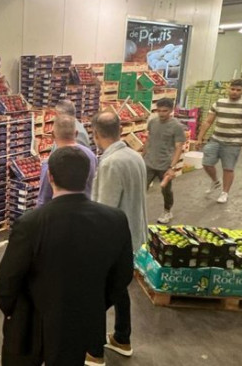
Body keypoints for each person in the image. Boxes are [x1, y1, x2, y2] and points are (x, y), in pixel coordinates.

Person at [0, 146, 133, 366]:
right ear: (90, 175)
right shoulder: (115, 220)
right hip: (80, 325)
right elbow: (122, 276)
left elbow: (6, 281)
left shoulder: (31, 223)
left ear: (50, 176)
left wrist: (14, 311)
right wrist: (94, 305)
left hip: (31, 326)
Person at [89, 111, 148, 366]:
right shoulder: (134, 156)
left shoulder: (111, 164)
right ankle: (122, 338)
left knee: (95, 294)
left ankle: (93, 352)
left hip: (114, 243)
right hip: (134, 235)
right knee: (119, 288)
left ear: (95, 134)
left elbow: (105, 210)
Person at [196, 79, 242, 204]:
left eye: (238, 90)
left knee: (228, 168)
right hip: (215, 139)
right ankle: (215, 181)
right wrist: (199, 137)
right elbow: (208, 121)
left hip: (234, 142)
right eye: (232, 89)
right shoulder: (219, 102)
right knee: (207, 163)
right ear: (228, 89)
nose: (234, 92)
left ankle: (225, 192)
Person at [36, 114, 98, 206]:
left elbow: (43, 201)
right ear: (76, 133)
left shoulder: (50, 162)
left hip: (59, 216)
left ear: (52, 135)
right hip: (88, 213)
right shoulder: (91, 156)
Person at [142, 98, 187, 224]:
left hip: (165, 165)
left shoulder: (177, 126)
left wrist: (172, 167)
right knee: (141, 188)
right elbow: (149, 139)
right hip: (149, 162)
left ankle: (167, 211)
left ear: (171, 110)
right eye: (159, 110)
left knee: (166, 190)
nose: (161, 113)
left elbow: (179, 147)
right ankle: (137, 211)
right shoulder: (152, 122)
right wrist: (142, 156)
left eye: (165, 111)